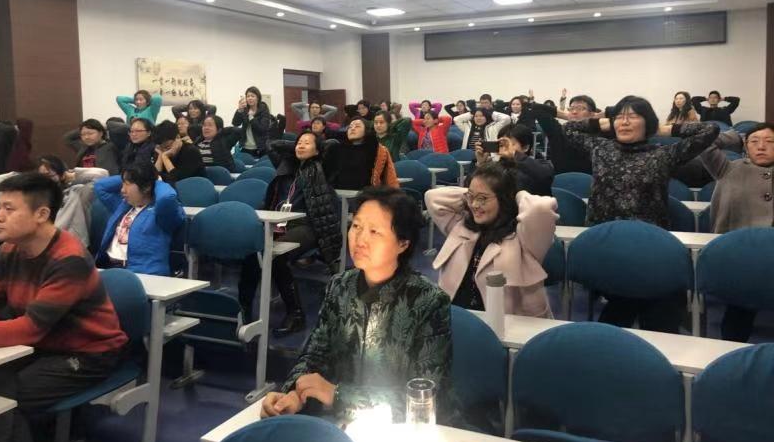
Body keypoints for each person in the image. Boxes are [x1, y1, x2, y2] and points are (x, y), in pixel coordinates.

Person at [260, 186, 453, 424]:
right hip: (336, 424)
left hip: (398, 432)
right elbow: (314, 354)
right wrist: (294, 394)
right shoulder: (340, 286)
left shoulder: (428, 301)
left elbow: (426, 396)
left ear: (403, 243)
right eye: (356, 226)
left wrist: (338, 395)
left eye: (374, 232)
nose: (360, 239)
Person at [0, 173, 127, 442]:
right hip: (40, 346)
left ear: (42, 214)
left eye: (9, 209)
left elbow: (31, 329)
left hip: (88, 353)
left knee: (5, 400)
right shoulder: (8, 250)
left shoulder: (69, 259)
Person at [564, 96, 719, 333]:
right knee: (649, 299)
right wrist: (604, 122)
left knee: (648, 301)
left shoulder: (664, 154)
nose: (624, 122)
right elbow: (568, 129)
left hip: (647, 248)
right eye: (620, 117)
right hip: (606, 245)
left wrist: (664, 129)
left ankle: (627, 333)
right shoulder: (600, 148)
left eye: (633, 116)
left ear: (648, 122)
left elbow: (711, 129)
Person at [238, 132, 342, 336]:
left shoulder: (322, 168)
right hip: (278, 223)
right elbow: (272, 144)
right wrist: (297, 146)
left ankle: (296, 313)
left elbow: (335, 146)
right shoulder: (286, 167)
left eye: (307, 143)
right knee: (252, 253)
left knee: (277, 255)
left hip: (307, 225)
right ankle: (244, 310)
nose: (301, 145)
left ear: (318, 150)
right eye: (299, 142)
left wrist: (315, 145)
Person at [427, 160, 556, 316]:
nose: (474, 205)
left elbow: (540, 208)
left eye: (482, 199)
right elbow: (432, 197)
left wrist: (516, 194)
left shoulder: (524, 237)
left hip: (509, 324)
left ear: (503, 199)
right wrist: (475, 192)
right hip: (460, 318)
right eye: (471, 197)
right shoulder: (463, 226)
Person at [700, 123, 774, 341]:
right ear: (745, 146)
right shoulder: (727, 168)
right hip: (739, 255)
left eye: (770, 142)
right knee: (739, 311)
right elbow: (703, 144)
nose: (761, 146)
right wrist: (735, 136)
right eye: (754, 141)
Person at [0, 155, 108, 249]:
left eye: (50, 175)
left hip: (67, 248)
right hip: (32, 245)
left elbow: (102, 175)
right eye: (41, 176)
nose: (46, 181)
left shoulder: (77, 193)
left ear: (61, 175)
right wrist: (24, 177)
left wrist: (72, 174)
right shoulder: (29, 197)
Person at [94, 161, 186, 276]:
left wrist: (156, 180)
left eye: (127, 184)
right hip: (109, 267)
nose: (122, 190)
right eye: (122, 184)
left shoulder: (162, 212)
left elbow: (166, 198)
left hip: (142, 273)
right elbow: (100, 186)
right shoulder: (123, 205)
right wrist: (128, 176)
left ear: (146, 187)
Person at [525, 89, 601, 174]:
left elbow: (611, 114)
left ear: (592, 114)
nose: (574, 111)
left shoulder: (599, 134)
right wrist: (566, 115)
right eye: (571, 108)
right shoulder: (559, 131)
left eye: (580, 108)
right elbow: (536, 109)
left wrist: (593, 120)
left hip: (591, 179)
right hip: (560, 179)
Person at [471, 126, 554, 196]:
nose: (505, 148)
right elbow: (473, 188)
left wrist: (514, 154)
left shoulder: (539, 165)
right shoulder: (497, 167)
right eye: (502, 144)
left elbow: (545, 175)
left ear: (525, 147)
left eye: (511, 144)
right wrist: (481, 163)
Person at [325, 118, 398, 190]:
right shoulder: (336, 149)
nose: (352, 128)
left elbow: (390, 179)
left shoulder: (378, 150)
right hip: (338, 193)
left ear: (366, 130)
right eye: (350, 127)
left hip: (368, 193)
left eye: (357, 126)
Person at [153, 120, 205, 185]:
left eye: (167, 146)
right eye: (160, 148)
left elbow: (178, 181)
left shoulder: (191, 151)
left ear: (178, 137)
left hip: (194, 187)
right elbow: (154, 178)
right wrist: (160, 156)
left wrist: (165, 157)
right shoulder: (161, 151)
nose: (164, 150)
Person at [232, 86, 273, 158]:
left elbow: (262, 129)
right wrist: (239, 110)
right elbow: (235, 123)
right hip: (245, 147)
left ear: (258, 98)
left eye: (252, 96)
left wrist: (251, 117)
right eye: (248, 96)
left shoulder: (263, 109)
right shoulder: (244, 109)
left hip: (260, 147)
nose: (250, 98)